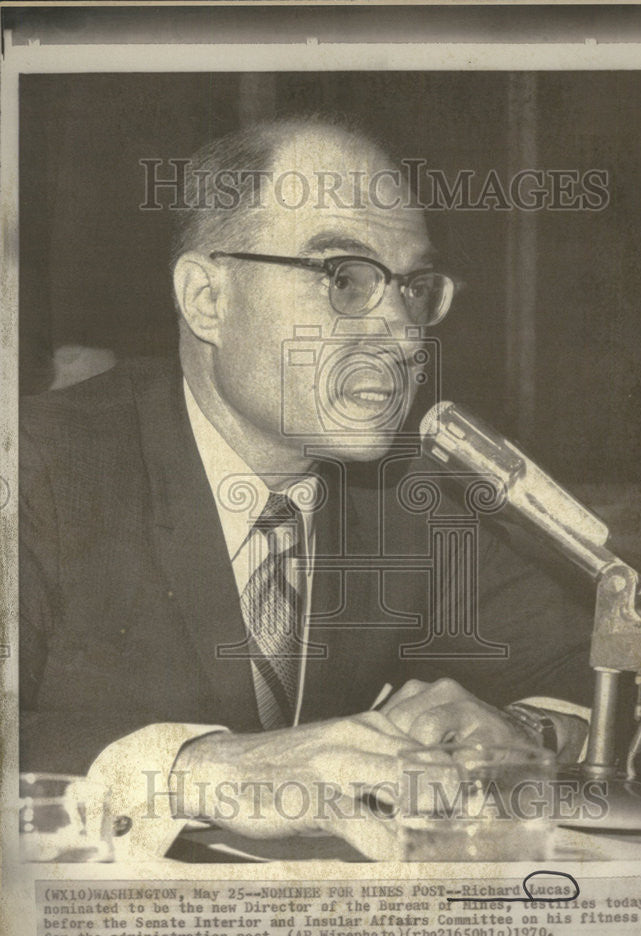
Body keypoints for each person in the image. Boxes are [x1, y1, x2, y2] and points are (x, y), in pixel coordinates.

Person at [19, 115, 593, 860]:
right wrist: (204, 771)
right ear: (207, 299)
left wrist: (519, 732)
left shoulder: (413, 490)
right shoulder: (37, 466)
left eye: (415, 288)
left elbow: (580, 665)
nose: (404, 332)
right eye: (344, 279)